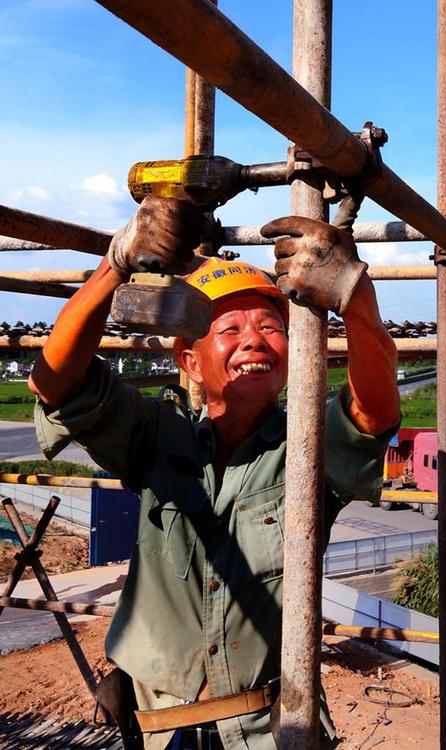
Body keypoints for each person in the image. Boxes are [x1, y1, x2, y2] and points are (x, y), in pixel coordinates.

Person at [29, 196, 401, 750]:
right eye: (229, 327)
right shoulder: (156, 436)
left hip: (269, 731)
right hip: (159, 730)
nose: (254, 339)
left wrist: (354, 296)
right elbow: (54, 381)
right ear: (189, 361)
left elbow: (374, 415)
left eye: (272, 327)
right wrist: (117, 263)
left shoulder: (304, 450)